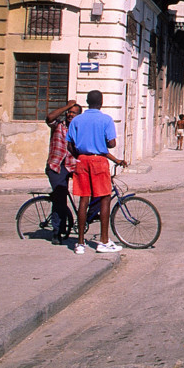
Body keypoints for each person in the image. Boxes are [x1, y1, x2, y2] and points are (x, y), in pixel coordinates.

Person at [66, 90, 127, 254]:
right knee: (105, 198)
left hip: (82, 160)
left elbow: (69, 145)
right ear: (101, 103)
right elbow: (111, 143)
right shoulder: (106, 119)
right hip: (99, 161)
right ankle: (103, 241)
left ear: (87, 102)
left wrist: (80, 155)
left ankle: (80, 243)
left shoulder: (77, 120)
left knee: (83, 199)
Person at [44, 99, 82, 245]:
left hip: (72, 165)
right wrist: (67, 106)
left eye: (74, 113)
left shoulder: (79, 129)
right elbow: (49, 118)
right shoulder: (58, 125)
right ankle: (57, 231)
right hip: (56, 165)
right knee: (60, 198)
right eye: (69, 112)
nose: (70, 115)